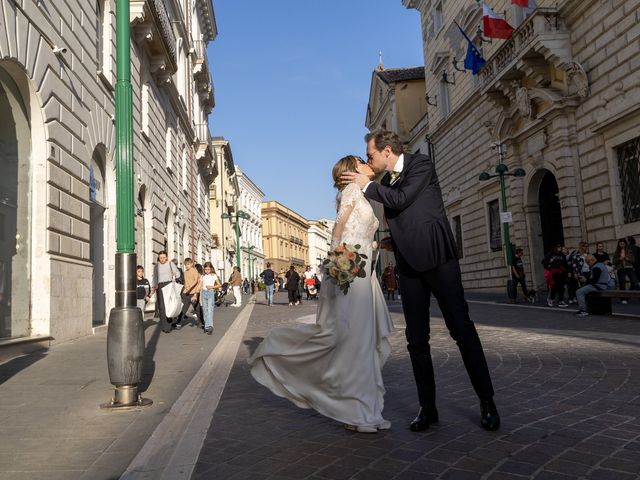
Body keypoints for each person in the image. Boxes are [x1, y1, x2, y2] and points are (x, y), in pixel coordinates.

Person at [341, 130, 499, 432]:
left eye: (371, 155)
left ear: (387, 151)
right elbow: (406, 216)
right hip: (409, 266)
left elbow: (403, 198)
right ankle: (428, 408)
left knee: (462, 330)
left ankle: (487, 402)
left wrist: (367, 184)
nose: (369, 160)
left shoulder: (421, 165)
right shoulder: (385, 182)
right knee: (416, 341)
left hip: (439, 259)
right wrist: (390, 241)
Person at [250, 155, 393, 433]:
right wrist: (340, 262)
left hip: (362, 271)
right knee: (356, 339)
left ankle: (362, 410)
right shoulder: (352, 190)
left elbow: (358, 233)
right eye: (361, 160)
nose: (367, 162)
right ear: (352, 170)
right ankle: (358, 410)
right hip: (352, 271)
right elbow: (339, 229)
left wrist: (378, 244)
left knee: (356, 338)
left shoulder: (357, 192)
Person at [151, 250, 181, 333]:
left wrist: (174, 273)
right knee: (161, 306)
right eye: (160, 258)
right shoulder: (156, 266)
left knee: (169, 305)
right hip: (160, 286)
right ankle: (164, 325)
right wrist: (154, 287)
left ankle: (168, 325)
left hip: (169, 285)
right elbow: (155, 277)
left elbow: (178, 274)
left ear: (166, 257)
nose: (162, 259)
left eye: (164, 257)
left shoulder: (170, 264)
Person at [613, 238, 639, 304]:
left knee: (634, 282)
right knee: (622, 283)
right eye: (621, 244)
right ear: (619, 244)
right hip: (621, 268)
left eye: (623, 244)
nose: (622, 245)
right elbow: (614, 261)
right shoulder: (616, 252)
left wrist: (628, 259)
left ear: (625, 244)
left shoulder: (629, 250)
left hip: (629, 267)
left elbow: (633, 260)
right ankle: (623, 298)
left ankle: (627, 296)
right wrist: (620, 259)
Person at [177, 258, 201, 329]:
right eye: (185, 265)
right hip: (186, 293)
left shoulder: (194, 271)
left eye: (188, 264)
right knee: (183, 309)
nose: (187, 266)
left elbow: (196, 280)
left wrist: (190, 288)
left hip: (193, 293)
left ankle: (200, 322)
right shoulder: (185, 272)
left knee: (197, 309)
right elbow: (185, 282)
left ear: (191, 264)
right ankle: (179, 323)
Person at [200, 262, 221, 334]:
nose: (207, 271)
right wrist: (199, 296)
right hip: (203, 292)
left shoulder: (213, 275)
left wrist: (211, 286)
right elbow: (200, 286)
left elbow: (219, 285)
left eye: (208, 269)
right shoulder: (202, 276)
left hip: (210, 292)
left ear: (211, 269)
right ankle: (206, 327)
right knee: (204, 310)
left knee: (210, 310)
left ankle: (210, 326)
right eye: (206, 269)